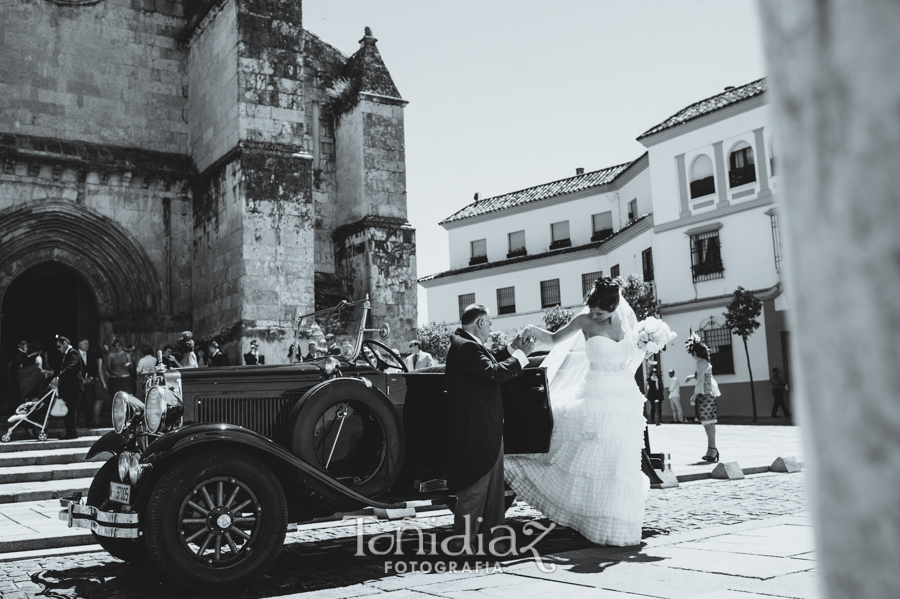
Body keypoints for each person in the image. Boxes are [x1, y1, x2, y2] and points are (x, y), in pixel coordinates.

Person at [508, 277, 653, 546]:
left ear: (614, 306)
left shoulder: (625, 322)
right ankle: (591, 517)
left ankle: (621, 524)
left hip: (625, 396)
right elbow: (553, 340)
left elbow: (634, 354)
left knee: (621, 463)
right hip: (596, 395)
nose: (595, 315)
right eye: (593, 310)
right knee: (595, 460)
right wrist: (532, 330)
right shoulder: (584, 321)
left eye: (601, 312)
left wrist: (650, 343)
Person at [445, 303, 533, 554]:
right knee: (475, 490)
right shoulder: (465, 347)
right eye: (490, 323)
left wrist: (512, 348)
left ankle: (492, 543)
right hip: (477, 433)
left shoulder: (467, 345)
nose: (492, 328)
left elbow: (490, 363)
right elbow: (494, 372)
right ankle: (462, 547)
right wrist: (522, 356)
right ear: (480, 323)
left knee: (494, 493)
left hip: (487, 430)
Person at [684, 332, 722, 462]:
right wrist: (692, 377)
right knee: (710, 422)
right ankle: (712, 449)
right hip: (710, 393)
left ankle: (712, 449)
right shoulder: (704, 361)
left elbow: (701, 379)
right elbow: (704, 376)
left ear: (695, 352)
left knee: (707, 423)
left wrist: (694, 396)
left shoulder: (700, 362)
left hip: (705, 394)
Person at [52, 336, 83, 440]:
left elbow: (70, 368)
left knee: (71, 409)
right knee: (68, 409)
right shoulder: (67, 354)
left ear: (65, 342)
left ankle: (72, 432)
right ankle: (70, 431)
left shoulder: (73, 353)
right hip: (67, 387)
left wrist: (58, 378)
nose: (58, 349)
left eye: (59, 346)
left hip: (72, 387)